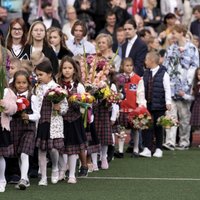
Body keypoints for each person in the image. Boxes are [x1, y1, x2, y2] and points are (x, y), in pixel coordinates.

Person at [162, 24, 199, 150]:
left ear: (181, 33)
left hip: (185, 90)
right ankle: (170, 142)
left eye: (174, 33)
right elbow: (165, 67)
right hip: (171, 89)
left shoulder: (192, 49)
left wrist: (187, 86)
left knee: (184, 118)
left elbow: (195, 68)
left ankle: (184, 142)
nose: (172, 35)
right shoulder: (171, 48)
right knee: (170, 116)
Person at [34, 58, 68, 186]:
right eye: (37, 75)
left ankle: (54, 167)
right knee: (41, 150)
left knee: (54, 149)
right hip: (42, 121)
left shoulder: (57, 88)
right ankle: (43, 176)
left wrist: (59, 108)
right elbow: (36, 105)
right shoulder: (37, 88)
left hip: (53, 122)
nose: (39, 77)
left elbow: (65, 108)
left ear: (49, 74)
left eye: (41, 74)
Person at [57, 56, 87, 183]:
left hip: (74, 120)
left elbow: (85, 103)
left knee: (73, 148)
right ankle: (62, 170)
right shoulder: (57, 85)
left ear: (74, 70)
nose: (67, 70)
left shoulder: (78, 86)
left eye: (70, 68)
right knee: (61, 147)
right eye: (64, 68)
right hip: (60, 120)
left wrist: (78, 103)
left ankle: (72, 174)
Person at [10, 70, 40, 190]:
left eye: (23, 82)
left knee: (24, 153)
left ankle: (23, 179)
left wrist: (28, 116)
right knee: (18, 153)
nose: (21, 85)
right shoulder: (12, 97)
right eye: (18, 83)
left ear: (28, 83)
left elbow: (37, 115)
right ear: (15, 84)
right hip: (16, 127)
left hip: (28, 128)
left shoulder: (32, 97)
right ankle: (25, 177)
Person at [140, 51, 171, 158]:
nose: (145, 62)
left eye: (146, 59)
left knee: (158, 127)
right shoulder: (146, 73)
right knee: (147, 126)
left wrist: (168, 102)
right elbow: (142, 88)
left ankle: (159, 148)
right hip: (147, 104)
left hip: (159, 105)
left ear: (151, 61)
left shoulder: (164, 73)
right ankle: (147, 148)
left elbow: (167, 88)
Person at [117, 57, 146, 158]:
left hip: (134, 109)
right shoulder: (119, 78)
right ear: (122, 66)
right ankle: (120, 150)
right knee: (121, 129)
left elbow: (141, 94)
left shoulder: (138, 79)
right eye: (127, 66)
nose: (129, 68)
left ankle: (136, 149)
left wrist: (141, 107)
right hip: (122, 109)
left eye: (131, 66)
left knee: (136, 130)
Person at [0, 77, 17, 192]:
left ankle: (1, 179)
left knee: (0, 155)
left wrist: (4, 104)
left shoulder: (7, 92)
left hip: (2, 128)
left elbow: (13, 108)